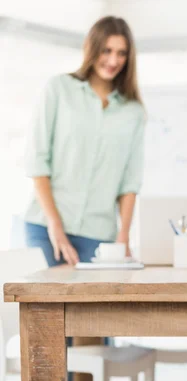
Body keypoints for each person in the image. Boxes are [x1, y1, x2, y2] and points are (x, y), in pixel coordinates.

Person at [24, 16, 145, 267]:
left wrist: (123, 236)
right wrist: (55, 225)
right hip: (45, 227)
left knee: (95, 307)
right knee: (43, 304)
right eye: (106, 50)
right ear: (92, 48)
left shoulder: (133, 111)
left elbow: (130, 181)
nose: (113, 61)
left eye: (121, 53)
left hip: (99, 236)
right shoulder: (58, 89)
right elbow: (37, 162)